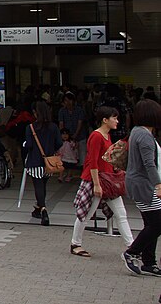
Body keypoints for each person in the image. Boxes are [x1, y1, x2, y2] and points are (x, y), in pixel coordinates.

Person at [69, 106, 134, 258]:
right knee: (86, 214)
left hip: (106, 181)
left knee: (120, 214)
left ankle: (132, 247)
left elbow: (104, 160)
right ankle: (75, 244)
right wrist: (97, 184)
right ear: (105, 120)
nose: (117, 121)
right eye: (114, 118)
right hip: (97, 181)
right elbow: (92, 162)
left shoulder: (106, 135)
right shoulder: (97, 136)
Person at [123, 99, 161, 275]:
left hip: (140, 184)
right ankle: (131, 252)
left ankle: (149, 262)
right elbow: (149, 164)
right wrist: (158, 184)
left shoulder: (137, 131)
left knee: (151, 223)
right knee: (157, 223)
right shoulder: (144, 135)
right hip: (146, 185)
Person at [23, 101, 61, 226]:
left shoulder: (31, 127)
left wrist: (25, 145)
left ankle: (43, 209)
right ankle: (38, 207)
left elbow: (28, 145)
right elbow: (59, 143)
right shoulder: (54, 127)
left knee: (38, 185)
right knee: (43, 185)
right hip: (49, 162)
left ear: (36, 113)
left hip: (35, 161)